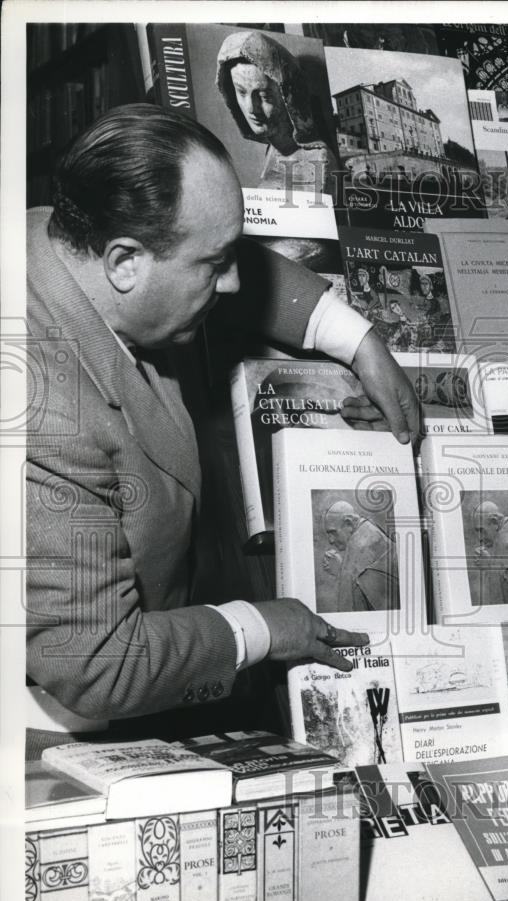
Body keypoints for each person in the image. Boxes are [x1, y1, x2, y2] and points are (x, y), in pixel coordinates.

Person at [26, 104, 418, 740]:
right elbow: (95, 664)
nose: (234, 283)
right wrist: (261, 627)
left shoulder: (58, 236)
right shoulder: (42, 412)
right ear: (124, 262)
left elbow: (237, 263)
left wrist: (358, 339)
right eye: (213, 266)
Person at [216, 30, 339, 197]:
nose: (251, 107)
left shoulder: (318, 160)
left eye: (264, 96)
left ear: (288, 96)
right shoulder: (273, 149)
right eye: (241, 92)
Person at [321, 500, 400, 612]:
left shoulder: (358, 546)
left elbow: (347, 612)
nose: (331, 541)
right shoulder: (369, 531)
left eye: (333, 532)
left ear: (348, 523)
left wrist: (343, 572)